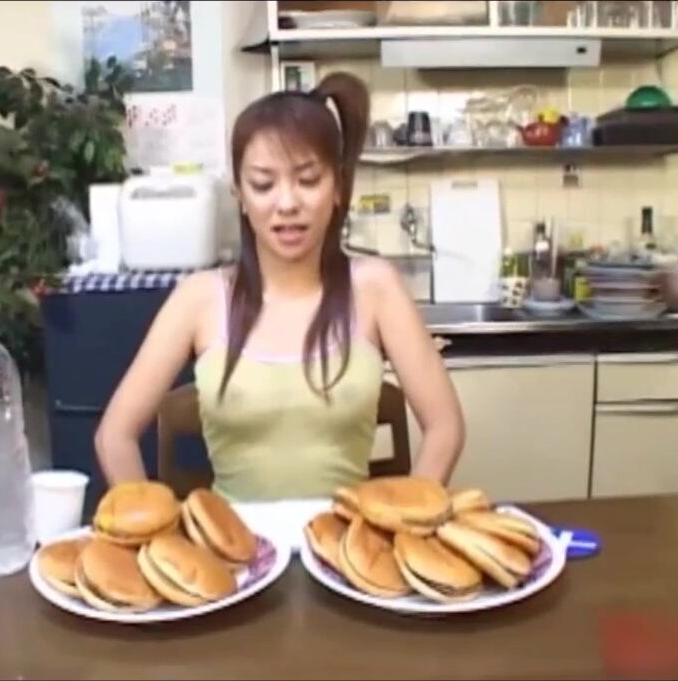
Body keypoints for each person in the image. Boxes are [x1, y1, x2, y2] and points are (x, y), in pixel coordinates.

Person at [95, 72, 465, 501]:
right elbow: (114, 436)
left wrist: (409, 519)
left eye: (308, 180)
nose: (287, 204)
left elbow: (445, 426)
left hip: (345, 540)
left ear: (337, 187)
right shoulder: (198, 298)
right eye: (263, 184)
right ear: (240, 195)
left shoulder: (376, 287)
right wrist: (149, 528)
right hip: (232, 542)